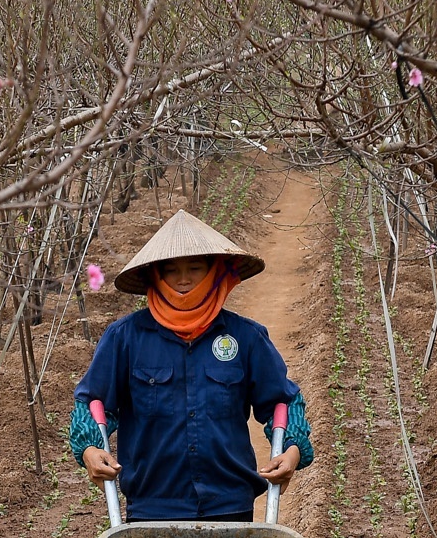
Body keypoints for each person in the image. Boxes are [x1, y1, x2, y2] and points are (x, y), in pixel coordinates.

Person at [69, 209, 312, 520]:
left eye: (195, 268)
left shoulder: (246, 337)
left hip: (230, 504)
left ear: (214, 271)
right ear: (156, 276)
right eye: (171, 271)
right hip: (153, 507)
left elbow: (283, 400)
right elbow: (92, 402)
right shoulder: (125, 338)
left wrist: (291, 452)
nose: (183, 280)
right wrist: (90, 450)